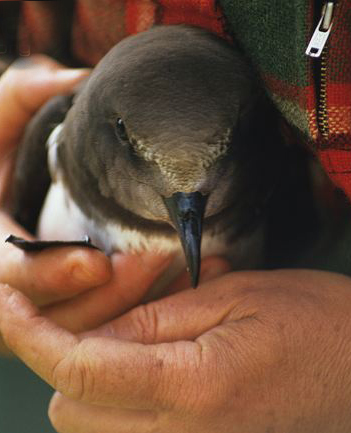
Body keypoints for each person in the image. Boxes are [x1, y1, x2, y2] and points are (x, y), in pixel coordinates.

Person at [0, 1, 351, 432]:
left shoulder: (265, 159)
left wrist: (340, 375)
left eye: (212, 162)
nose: (186, 199)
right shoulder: (60, 135)